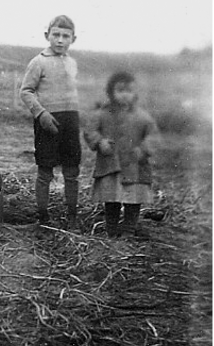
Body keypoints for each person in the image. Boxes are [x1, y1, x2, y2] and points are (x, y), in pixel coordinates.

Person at [20, 15, 81, 230]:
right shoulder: (39, 62)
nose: (60, 40)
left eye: (66, 36)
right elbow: (26, 91)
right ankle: (42, 217)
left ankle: (72, 217)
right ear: (47, 36)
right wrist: (41, 114)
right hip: (48, 121)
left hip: (70, 121)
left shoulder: (72, 63)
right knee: (45, 170)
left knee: (72, 171)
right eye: (56, 35)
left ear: (73, 39)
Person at [84, 70, 158, 238]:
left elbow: (153, 136)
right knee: (111, 198)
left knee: (134, 198)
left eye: (129, 91)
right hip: (111, 165)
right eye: (120, 91)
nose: (125, 95)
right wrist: (99, 142)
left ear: (135, 93)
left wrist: (143, 149)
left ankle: (128, 230)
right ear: (111, 92)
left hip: (135, 167)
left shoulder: (142, 116)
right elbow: (90, 130)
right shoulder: (103, 113)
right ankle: (111, 229)